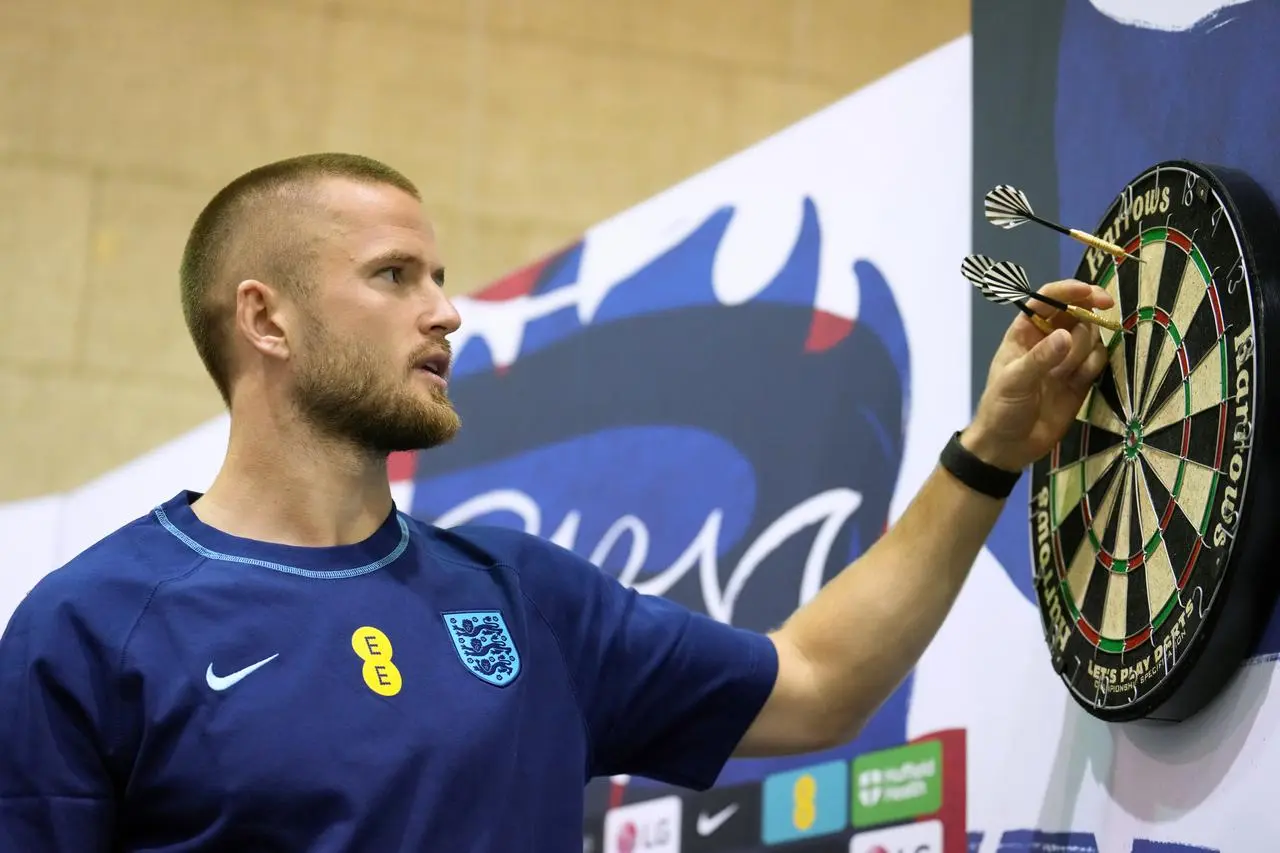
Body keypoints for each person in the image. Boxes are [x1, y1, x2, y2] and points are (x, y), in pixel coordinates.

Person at [0, 153, 1111, 852]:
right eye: (396, 276)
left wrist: (989, 450)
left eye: (439, 278)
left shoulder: (522, 596)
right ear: (267, 318)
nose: (446, 313)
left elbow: (817, 685)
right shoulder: (92, 625)